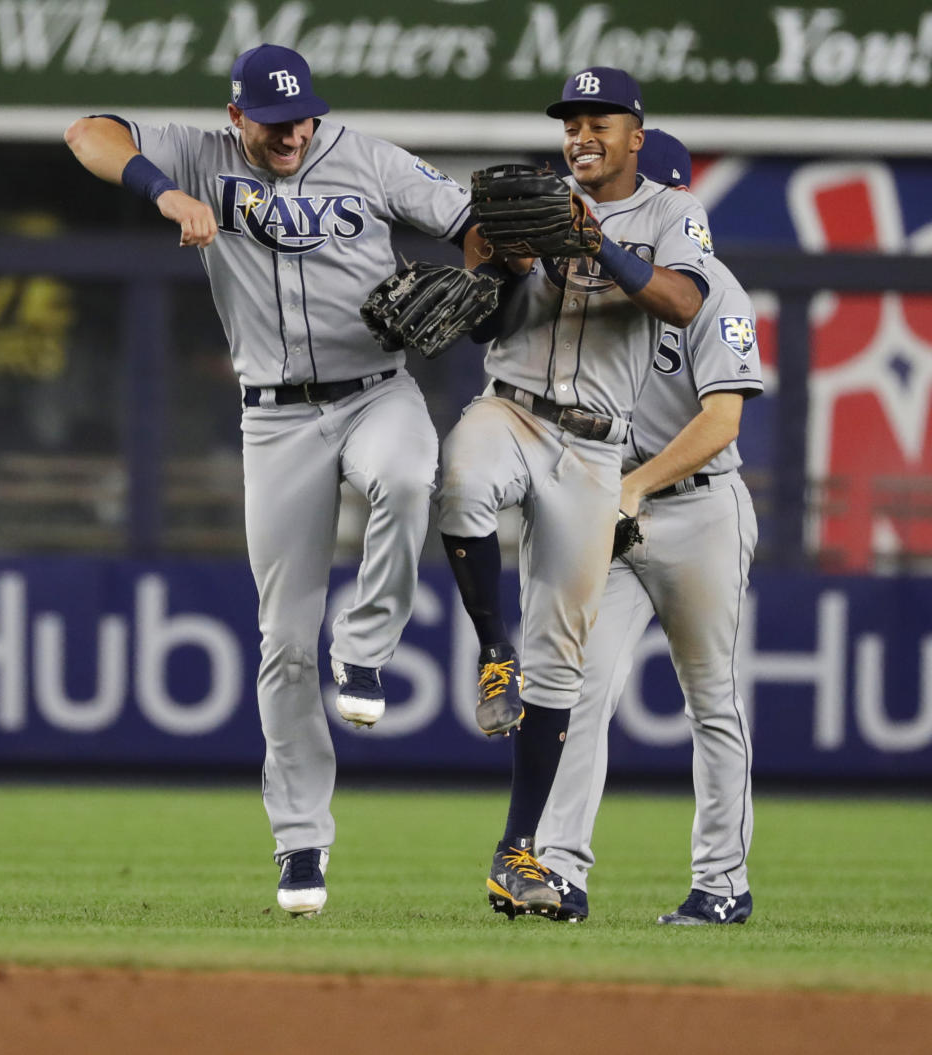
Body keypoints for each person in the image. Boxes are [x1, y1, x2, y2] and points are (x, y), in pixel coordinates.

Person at [64, 43, 482, 917]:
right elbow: (86, 131)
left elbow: (469, 219)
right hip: (276, 419)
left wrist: (488, 259)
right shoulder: (197, 154)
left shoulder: (366, 158)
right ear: (236, 118)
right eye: (273, 120)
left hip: (378, 390)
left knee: (408, 478)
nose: (292, 133)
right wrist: (163, 189)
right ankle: (301, 843)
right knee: (284, 643)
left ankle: (366, 649)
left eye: (302, 118)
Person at [436, 71, 713, 918]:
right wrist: (490, 267)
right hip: (512, 407)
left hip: (597, 449)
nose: (581, 132)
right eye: (571, 121)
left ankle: (518, 853)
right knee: (461, 478)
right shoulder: (534, 200)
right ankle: (492, 649)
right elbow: (491, 323)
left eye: (600, 120)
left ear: (637, 134)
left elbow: (682, 299)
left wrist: (599, 247)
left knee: (563, 664)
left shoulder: (674, 214)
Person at [535, 130, 764, 925]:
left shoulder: (717, 296)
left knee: (714, 702)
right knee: (578, 691)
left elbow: (723, 422)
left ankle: (722, 884)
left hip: (700, 509)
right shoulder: (589, 292)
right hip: (613, 514)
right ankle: (557, 874)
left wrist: (632, 484)